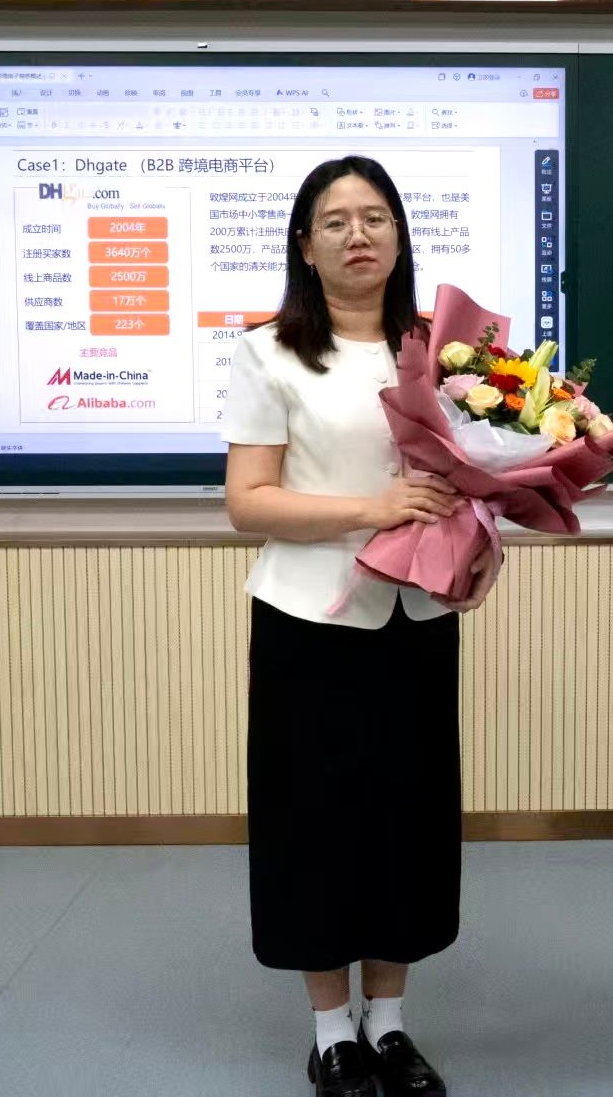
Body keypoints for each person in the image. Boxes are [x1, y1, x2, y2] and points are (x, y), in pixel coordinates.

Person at [224, 154, 497, 1097]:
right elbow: (248, 502)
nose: (358, 235)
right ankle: (331, 1031)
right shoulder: (269, 352)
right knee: (314, 822)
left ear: (400, 235)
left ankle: (389, 1022)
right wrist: (369, 511)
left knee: (406, 819)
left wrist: (478, 539)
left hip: (416, 616)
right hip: (309, 622)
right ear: (305, 245)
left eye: (375, 217)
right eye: (335, 221)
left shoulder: (443, 352)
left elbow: (468, 478)